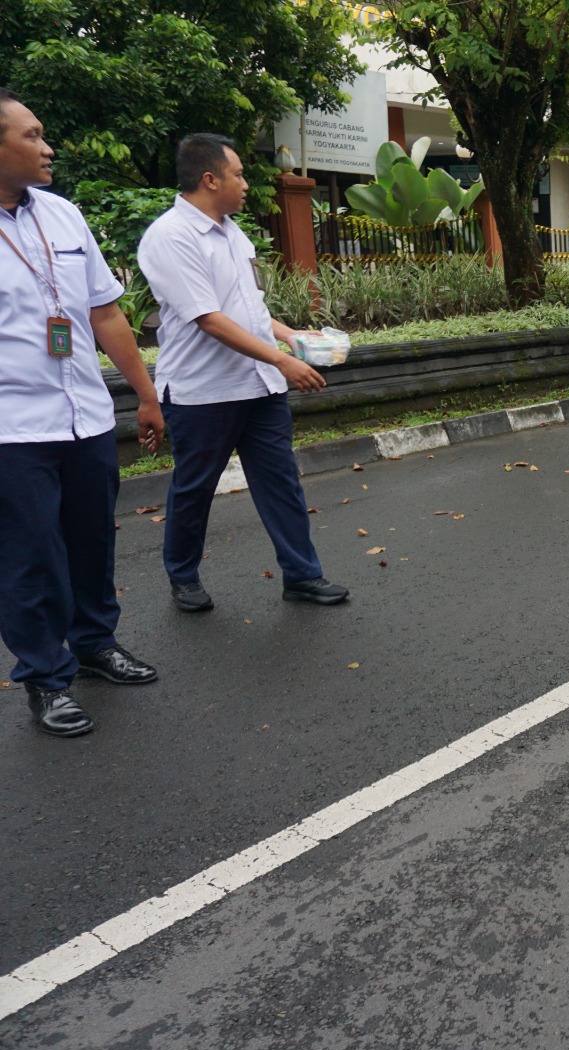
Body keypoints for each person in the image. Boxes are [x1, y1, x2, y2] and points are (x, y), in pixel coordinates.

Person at [0, 87, 163, 738]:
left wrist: (145, 394)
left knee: (94, 542)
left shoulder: (63, 217)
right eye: (33, 136)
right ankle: (45, 676)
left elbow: (104, 313)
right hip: (12, 431)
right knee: (30, 556)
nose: (48, 147)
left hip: (85, 418)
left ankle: (95, 644)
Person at [137, 133, 348, 612]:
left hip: (258, 386)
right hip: (203, 391)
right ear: (210, 179)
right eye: (238, 174)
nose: (246, 184)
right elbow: (208, 318)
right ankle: (183, 576)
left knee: (280, 482)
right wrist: (281, 359)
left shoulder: (233, 232)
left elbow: (248, 308)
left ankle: (302, 574)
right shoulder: (171, 237)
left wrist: (291, 336)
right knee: (195, 488)